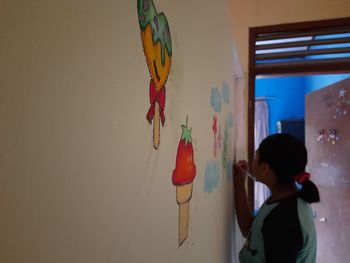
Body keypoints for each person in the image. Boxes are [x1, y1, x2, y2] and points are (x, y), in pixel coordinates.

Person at [233, 133, 320, 263]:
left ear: (264, 168)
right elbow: (250, 231)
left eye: (256, 156)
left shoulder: (284, 219)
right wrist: (240, 185)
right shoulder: (282, 201)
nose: (252, 161)